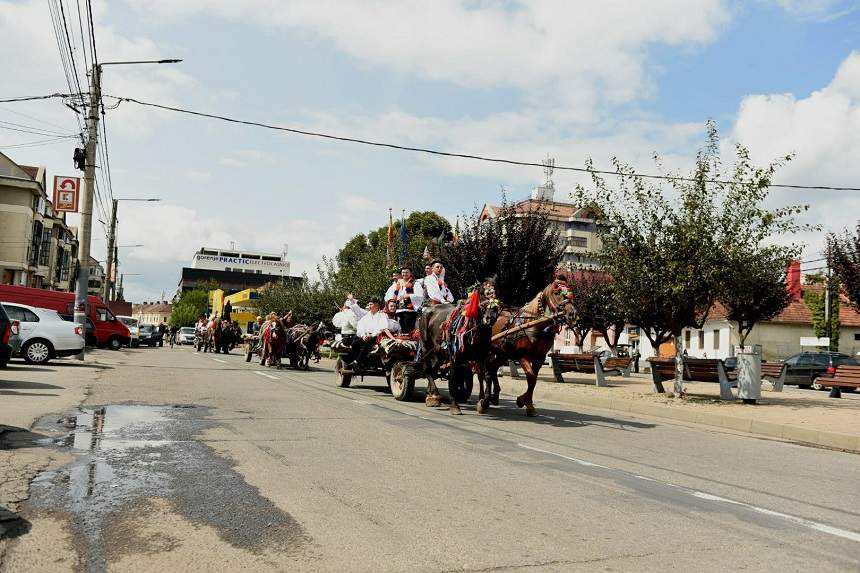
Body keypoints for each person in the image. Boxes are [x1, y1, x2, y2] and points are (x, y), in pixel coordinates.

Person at [348, 298, 397, 367]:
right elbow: (361, 326)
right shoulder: (367, 316)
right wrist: (363, 335)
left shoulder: (382, 315)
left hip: (377, 337)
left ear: (376, 306)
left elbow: (382, 328)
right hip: (367, 336)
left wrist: (371, 335)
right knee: (355, 343)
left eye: (371, 304)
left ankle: (357, 362)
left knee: (368, 342)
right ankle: (360, 362)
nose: (369, 306)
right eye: (369, 305)